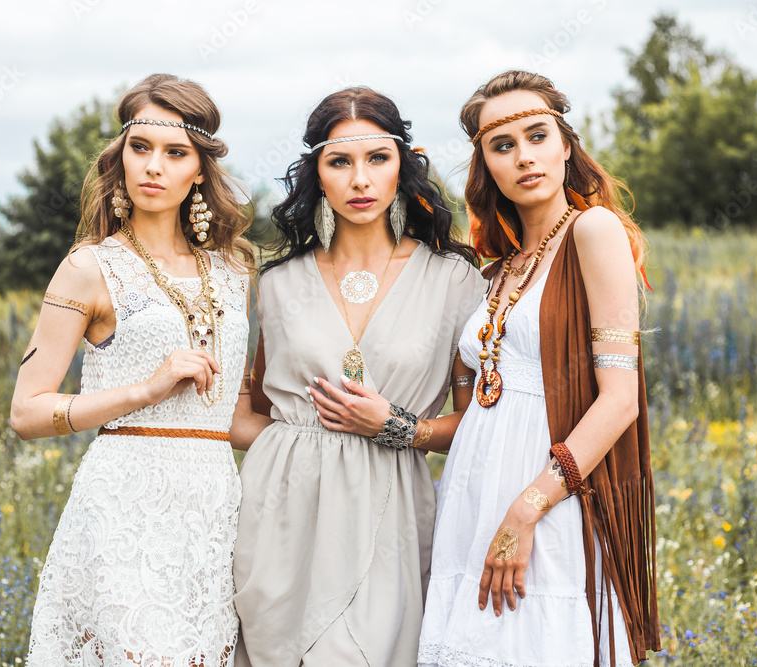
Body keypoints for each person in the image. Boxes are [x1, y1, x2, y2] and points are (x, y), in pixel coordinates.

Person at [227, 87, 486, 666]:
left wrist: (398, 427)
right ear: (317, 173)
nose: (360, 179)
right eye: (340, 161)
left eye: (377, 158)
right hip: (282, 513)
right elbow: (255, 409)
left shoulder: (456, 281)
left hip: (389, 508)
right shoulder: (277, 283)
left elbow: (477, 424)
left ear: (404, 165)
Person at [418, 70, 660, 667]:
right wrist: (397, 428)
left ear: (567, 145)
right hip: (472, 500)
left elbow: (619, 400)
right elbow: (478, 409)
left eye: (537, 135)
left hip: (550, 498)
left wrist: (527, 508)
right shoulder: (495, 272)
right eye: (503, 145)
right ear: (486, 167)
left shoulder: (592, 231)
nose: (524, 156)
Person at [11, 73, 254, 666]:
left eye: (175, 153)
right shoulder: (88, 268)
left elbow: (236, 417)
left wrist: (338, 439)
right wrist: (145, 389)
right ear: (120, 158)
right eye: (139, 148)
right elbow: (27, 412)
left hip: (213, 506)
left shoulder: (234, 272)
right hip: (124, 504)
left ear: (200, 170)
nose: (153, 166)